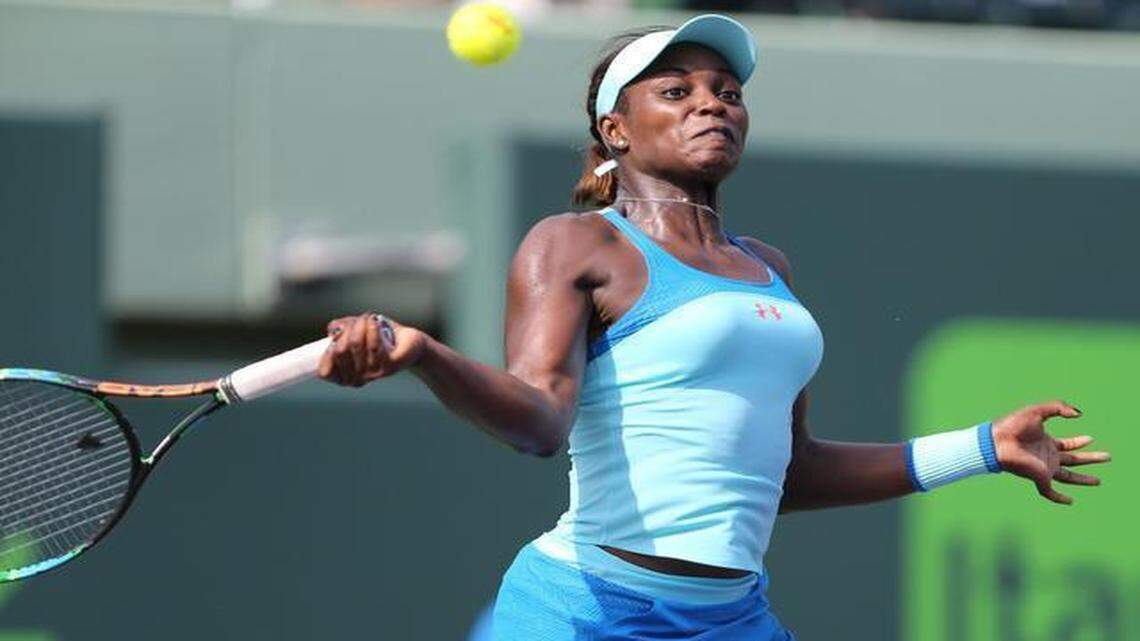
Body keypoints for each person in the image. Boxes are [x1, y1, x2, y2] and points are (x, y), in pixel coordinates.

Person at [317, 14, 1111, 639]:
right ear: (616, 133)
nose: (712, 103)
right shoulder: (574, 243)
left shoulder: (770, 268)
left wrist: (979, 449)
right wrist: (424, 353)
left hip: (732, 618)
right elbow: (537, 419)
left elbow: (790, 472)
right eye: (677, 91)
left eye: (727, 91)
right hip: (586, 612)